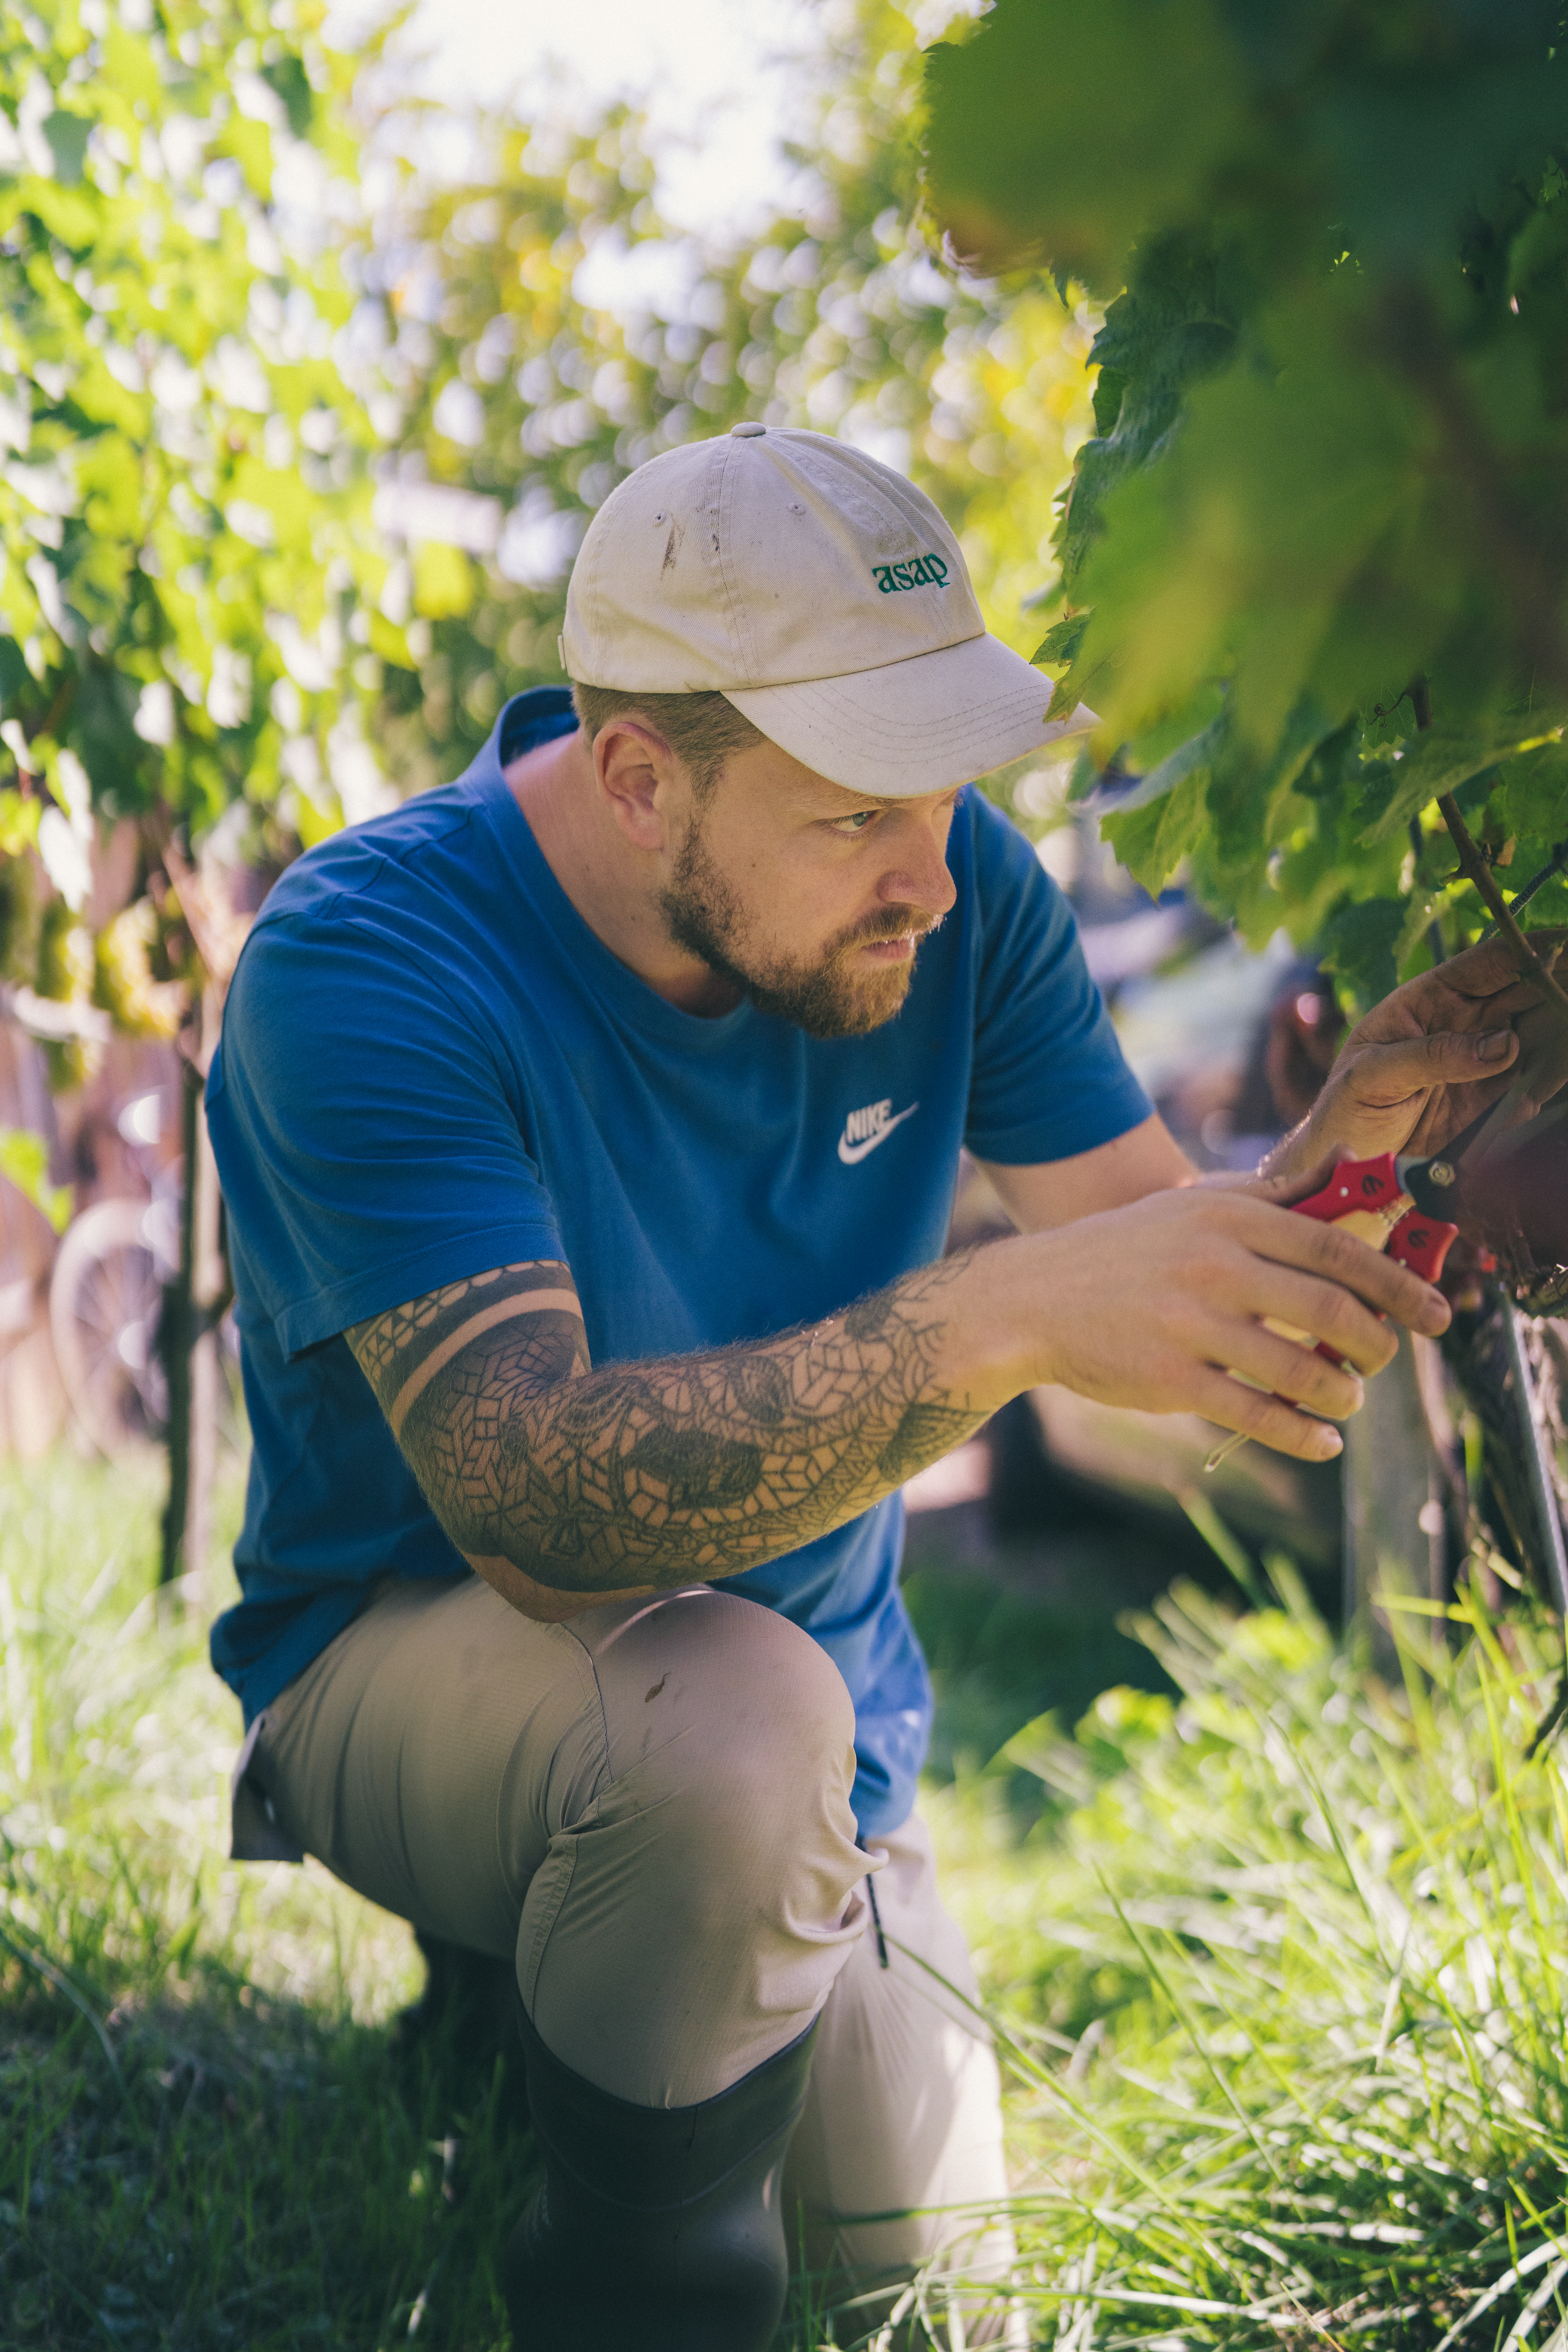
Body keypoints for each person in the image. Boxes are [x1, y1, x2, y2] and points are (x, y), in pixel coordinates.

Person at [208, 424, 1543, 2351]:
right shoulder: (367, 964)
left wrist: (1349, 1170)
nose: (937, 874)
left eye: (950, 792)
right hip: (412, 1653)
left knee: (946, 2319)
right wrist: (994, 1321)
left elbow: (1181, 1296)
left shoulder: (949, 891)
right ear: (643, 776)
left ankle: (577, 2034)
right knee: (724, 1736)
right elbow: (540, 1506)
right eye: (856, 817)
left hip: (828, 1743)